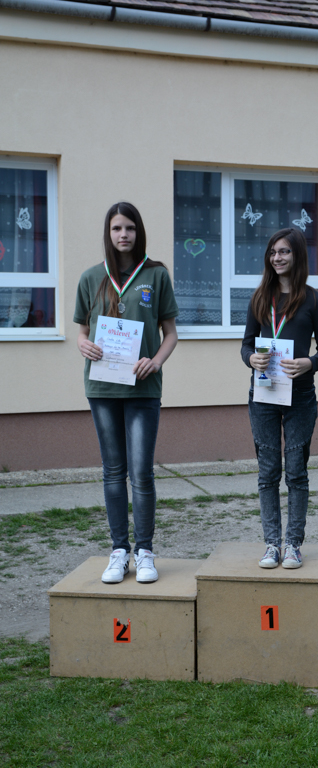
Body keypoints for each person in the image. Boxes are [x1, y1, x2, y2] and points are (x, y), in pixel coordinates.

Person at [74, 203, 178, 585]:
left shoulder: (156, 274)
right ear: (109, 232)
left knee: (141, 472)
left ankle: (145, 550)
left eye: (130, 228)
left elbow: (171, 334)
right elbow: (82, 331)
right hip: (102, 389)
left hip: (143, 388)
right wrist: (83, 344)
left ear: (138, 232)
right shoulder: (91, 277)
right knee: (113, 471)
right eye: (117, 228)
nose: (123, 235)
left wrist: (156, 361)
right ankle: (119, 550)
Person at [241, 228, 318, 569]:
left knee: (295, 472)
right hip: (264, 393)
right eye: (273, 252)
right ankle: (271, 545)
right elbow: (246, 345)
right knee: (268, 472)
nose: (277, 258)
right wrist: (251, 359)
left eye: (284, 252)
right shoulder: (259, 298)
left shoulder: (314, 301)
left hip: (300, 395)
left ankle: (293, 544)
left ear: (297, 256)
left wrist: (310, 363)